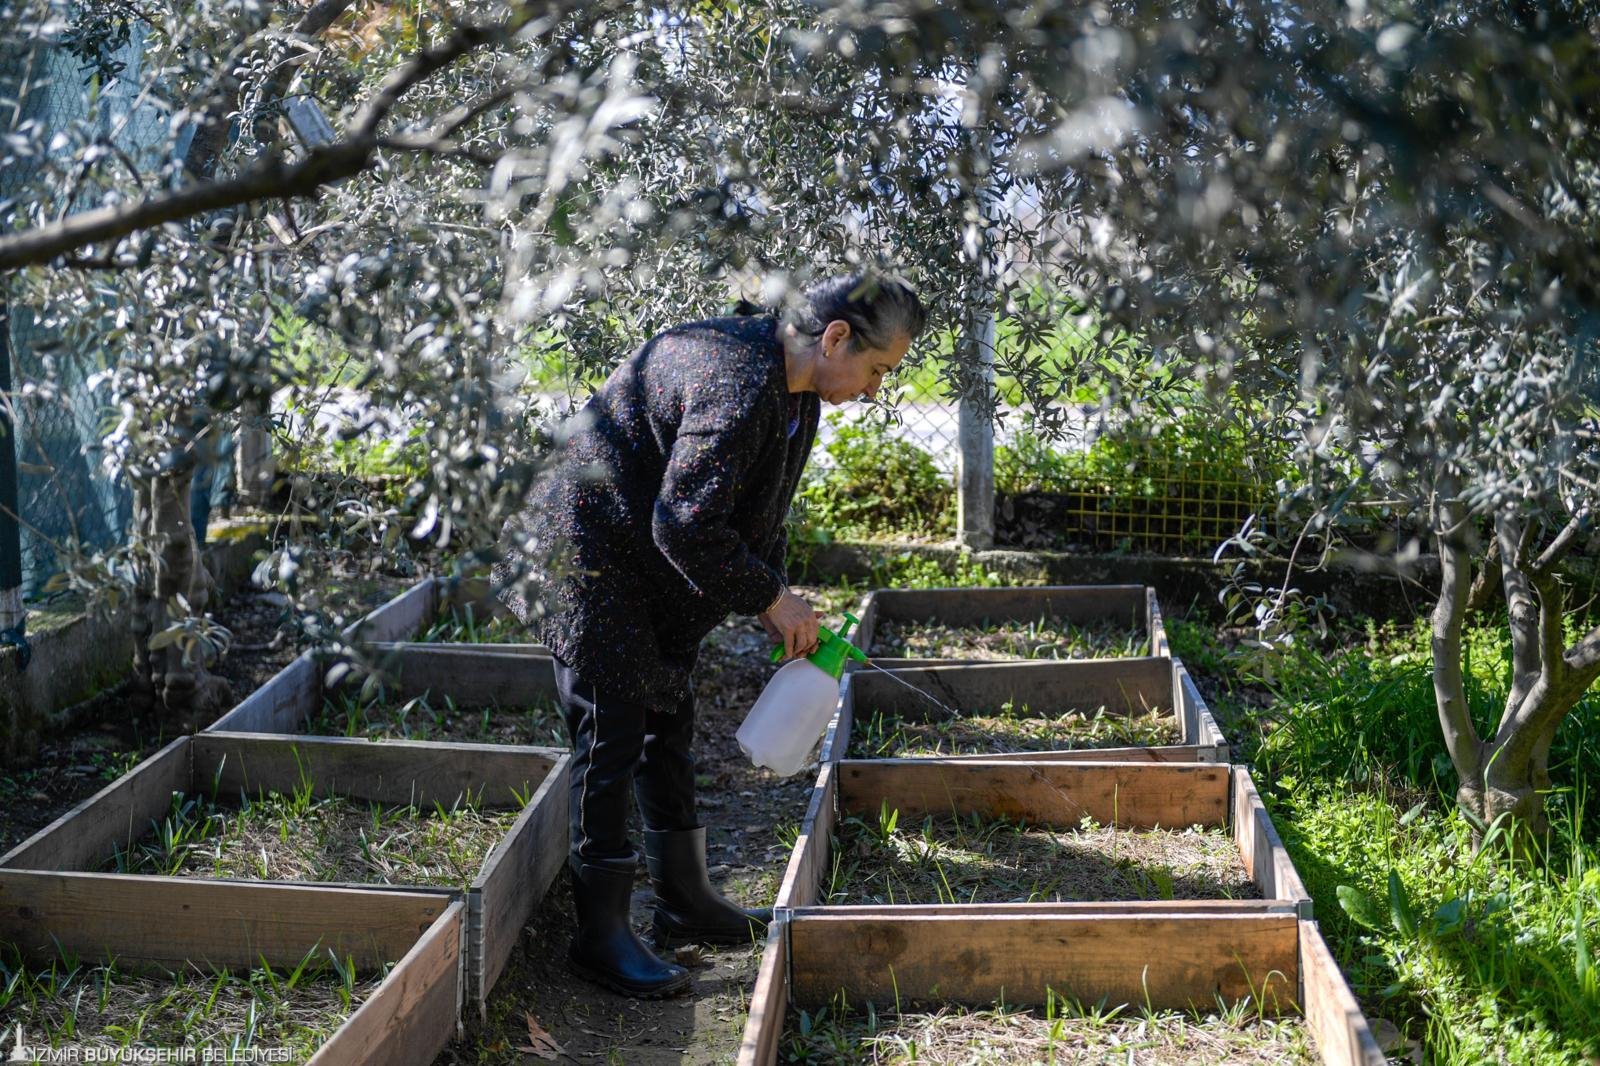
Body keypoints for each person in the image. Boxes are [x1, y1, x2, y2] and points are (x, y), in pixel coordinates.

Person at [494, 273, 926, 997]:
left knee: (667, 718)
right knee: (611, 737)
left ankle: (683, 901)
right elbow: (686, 523)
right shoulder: (737, 379)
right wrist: (768, 597)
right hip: (587, 553)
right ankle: (598, 936)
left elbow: (753, 511)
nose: (876, 390)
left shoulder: (794, 391)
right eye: (878, 371)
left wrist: (775, 594)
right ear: (836, 337)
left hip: (643, 561)